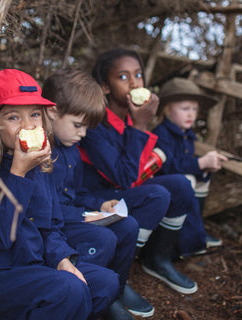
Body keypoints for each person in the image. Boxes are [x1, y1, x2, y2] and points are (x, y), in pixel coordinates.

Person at [0, 69, 119, 320]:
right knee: (69, 290)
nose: (28, 125)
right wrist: (18, 173)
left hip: (32, 265)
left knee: (106, 282)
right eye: (14, 117)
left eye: (35, 114)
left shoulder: (40, 163)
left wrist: (61, 260)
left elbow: (50, 227)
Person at [79, 47, 199, 294]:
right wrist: (142, 125)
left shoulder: (131, 119)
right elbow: (123, 177)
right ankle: (119, 272)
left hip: (122, 190)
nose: (134, 83)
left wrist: (139, 124)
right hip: (96, 199)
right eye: (123, 77)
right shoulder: (95, 125)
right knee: (158, 195)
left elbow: (136, 172)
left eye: (138, 76)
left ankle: (157, 259)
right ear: (105, 87)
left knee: (181, 185)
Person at [42, 67, 154, 319]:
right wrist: (83, 215)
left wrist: (99, 204)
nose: (82, 134)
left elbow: (76, 191)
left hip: (70, 216)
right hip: (53, 226)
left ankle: (114, 291)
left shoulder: (71, 148)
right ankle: (91, 295)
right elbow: (45, 210)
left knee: (127, 225)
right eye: (78, 125)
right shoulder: (42, 153)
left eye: (86, 128)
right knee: (104, 239)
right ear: (52, 111)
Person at [153, 77, 228, 257]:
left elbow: (184, 162)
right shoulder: (161, 134)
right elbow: (168, 166)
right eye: (185, 109)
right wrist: (200, 163)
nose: (191, 114)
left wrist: (205, 166)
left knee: (202, 179)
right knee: (189, 180)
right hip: (160, 183)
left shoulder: (186, 135)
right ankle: (185, 243)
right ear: (168, 110)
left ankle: (197, 233)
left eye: (194, 109)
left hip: (177, 181)